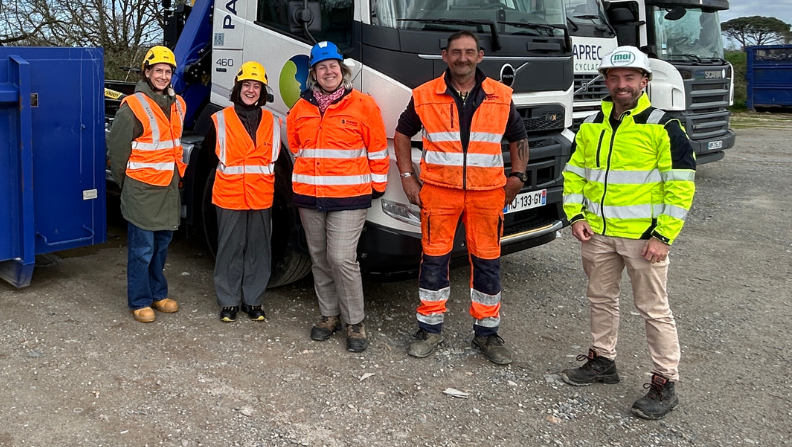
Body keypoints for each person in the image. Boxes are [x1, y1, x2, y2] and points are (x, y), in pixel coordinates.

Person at [560, 46, 695, 420]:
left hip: (643, 240)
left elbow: (681, 186)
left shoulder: (663, 125)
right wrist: (575, 216)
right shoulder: (591, 124)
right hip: (597, 235)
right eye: (615, 78)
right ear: (606, 80)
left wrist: (663, 236)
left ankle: (665, 382)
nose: (622, 85)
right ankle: (603, 361)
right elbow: (574, 174)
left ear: (644, 81)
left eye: (630, 78)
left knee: (654, 310)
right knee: (600, 300)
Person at [393, 30, 529, 365]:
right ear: (445, 56)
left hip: (487, 194)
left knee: (487, 263)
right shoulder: (424, 95)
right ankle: (429, 328)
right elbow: (401, 134)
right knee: (434, 262)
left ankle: (487, 332)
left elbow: (518, 137)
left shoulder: (500, 95)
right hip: (439, 193)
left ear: (480, 56)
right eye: (456, 52)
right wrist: (408, 178)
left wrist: (518, 177)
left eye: (469, 52)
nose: (463, 58)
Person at [287, 41, 389, 353]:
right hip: (310, 196)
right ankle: (329, 315)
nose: (328, 71)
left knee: (341, 258)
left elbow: (377, 149)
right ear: (313, 74)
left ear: (341, 70)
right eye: (322, 67)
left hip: (349, 197)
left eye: (333, 66)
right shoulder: (300, 110)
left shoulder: (363, 105)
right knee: (318, 258)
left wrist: (377, 186)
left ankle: (354, 322)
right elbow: (295, 146)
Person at [107, 46, 186, 323]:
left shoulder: (179, 104)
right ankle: (139, 300)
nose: (163, 76)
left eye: (168, 71)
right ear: (147, 72)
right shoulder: (134, 106)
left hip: (167, 189)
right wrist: (126, 185)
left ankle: (157, 293)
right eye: (158, 71)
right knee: (142, 250)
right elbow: (117, 153)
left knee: (161, 247)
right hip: (141, 190)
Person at [205, 61, 280, 323]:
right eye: (246, 85)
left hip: (260, 195)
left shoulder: (274, 121)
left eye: (256, 86)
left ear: (263, 91)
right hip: (229, 194)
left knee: (259, 249)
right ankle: (228, 301)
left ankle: (253, 300)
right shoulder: (219, 120)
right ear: (237, 89)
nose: (251, 90)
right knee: (229, 249)